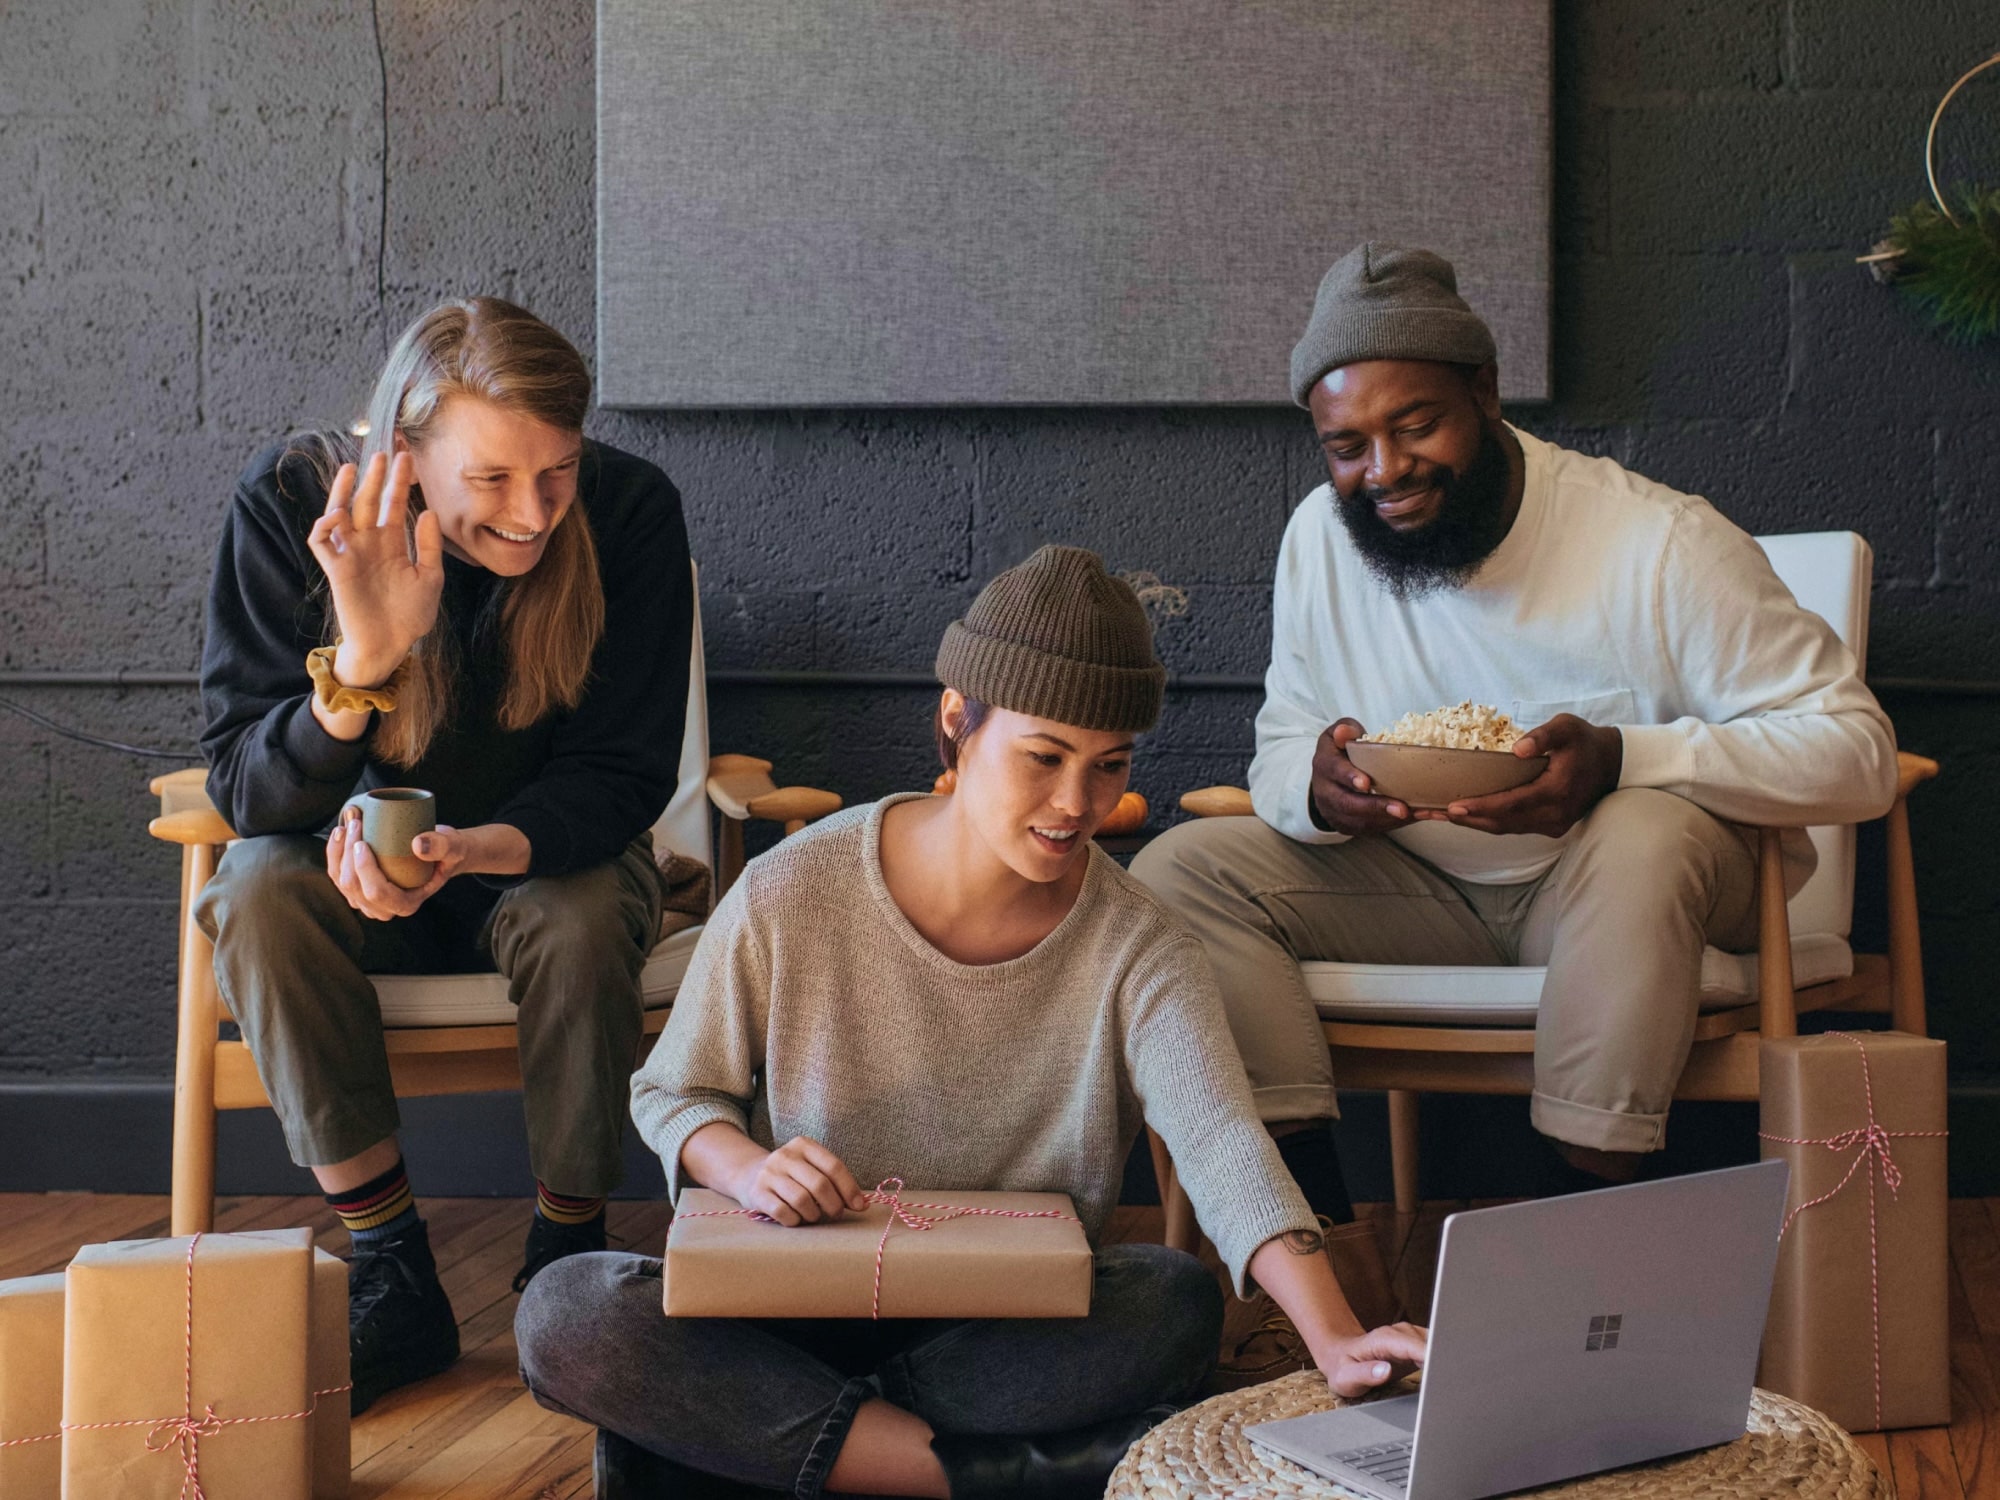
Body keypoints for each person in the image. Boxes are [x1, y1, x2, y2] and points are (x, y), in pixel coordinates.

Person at [516, 546, 1425, 1500]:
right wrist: (748, 1167)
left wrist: (1336, 1336)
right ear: (957, 722)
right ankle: (955, 1475)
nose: (1078, 805)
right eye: (1044, 758)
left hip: (998, 1330)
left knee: (1172, 1299)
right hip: (786, 1303)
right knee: (565, 1308)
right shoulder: (794, 886)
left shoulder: (1139, 943)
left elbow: (1220, 1141)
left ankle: (757, 1453)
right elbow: (675, 1090)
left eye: (1109, 764)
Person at [1134, 242, 1898, 1209]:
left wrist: (1626, 758)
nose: (1386, 471)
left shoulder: (1660, 543)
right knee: (1179, 870)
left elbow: (1858, 751)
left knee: (1644, 828)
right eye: (1347, 448)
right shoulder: (1319, 541)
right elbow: (1284, 738)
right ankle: (1310, 1254)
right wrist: (1314, 785)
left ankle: (1576, 1232)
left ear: (1487, 394)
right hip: (1421, 893)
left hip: (1639, 898)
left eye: (1416, 427)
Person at [195, 297, 694, 1413]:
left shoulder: (628, 514)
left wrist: (483, 846)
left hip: (537, 859)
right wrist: (366, 655)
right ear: (406, 451)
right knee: (258, 895)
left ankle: (565, 1252)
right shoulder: (288, 507)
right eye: (493, 481)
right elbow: (243, 786)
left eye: (556, 471)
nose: (532, 515)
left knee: (576, 912)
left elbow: (620, 774)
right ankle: (391, 1266)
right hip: (349, 874)